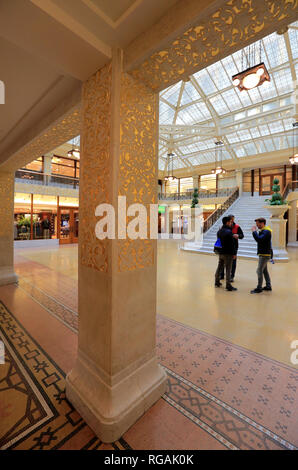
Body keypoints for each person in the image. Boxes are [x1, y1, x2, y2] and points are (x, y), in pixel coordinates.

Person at [215, 216, 237, 291]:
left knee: (219, 267)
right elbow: (232, 244)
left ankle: (217, 282)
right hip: (228, 253)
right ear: (227, 222)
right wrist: (234, 253)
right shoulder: (229, 231)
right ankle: (228, 285)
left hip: (221, 252)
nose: (231, 223)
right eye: (231, 222)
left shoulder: (219, 231)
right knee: (228, 268)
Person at [251, 218, 272, 294]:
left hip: (264, 254)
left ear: (262, 223)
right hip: (264, 253)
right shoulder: (264, 231)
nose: (257, 226)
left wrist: (254, 232)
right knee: (264, 271)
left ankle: (259, 288)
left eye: (258, 224)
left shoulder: (266, 232)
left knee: (259, 270)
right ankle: (268, 286)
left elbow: (259, 239)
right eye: (256, 224)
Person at [220, 214, 244, 282]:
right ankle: (221, 275)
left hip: (234, 247)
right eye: (231, 220)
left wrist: (238, 235)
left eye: (233, 220)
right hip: (225, 247)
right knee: (223, 262)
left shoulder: (237, 226)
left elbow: (242, 235)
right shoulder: (223, 227)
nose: (232, 221)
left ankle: (231, 276)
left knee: (233, 262)